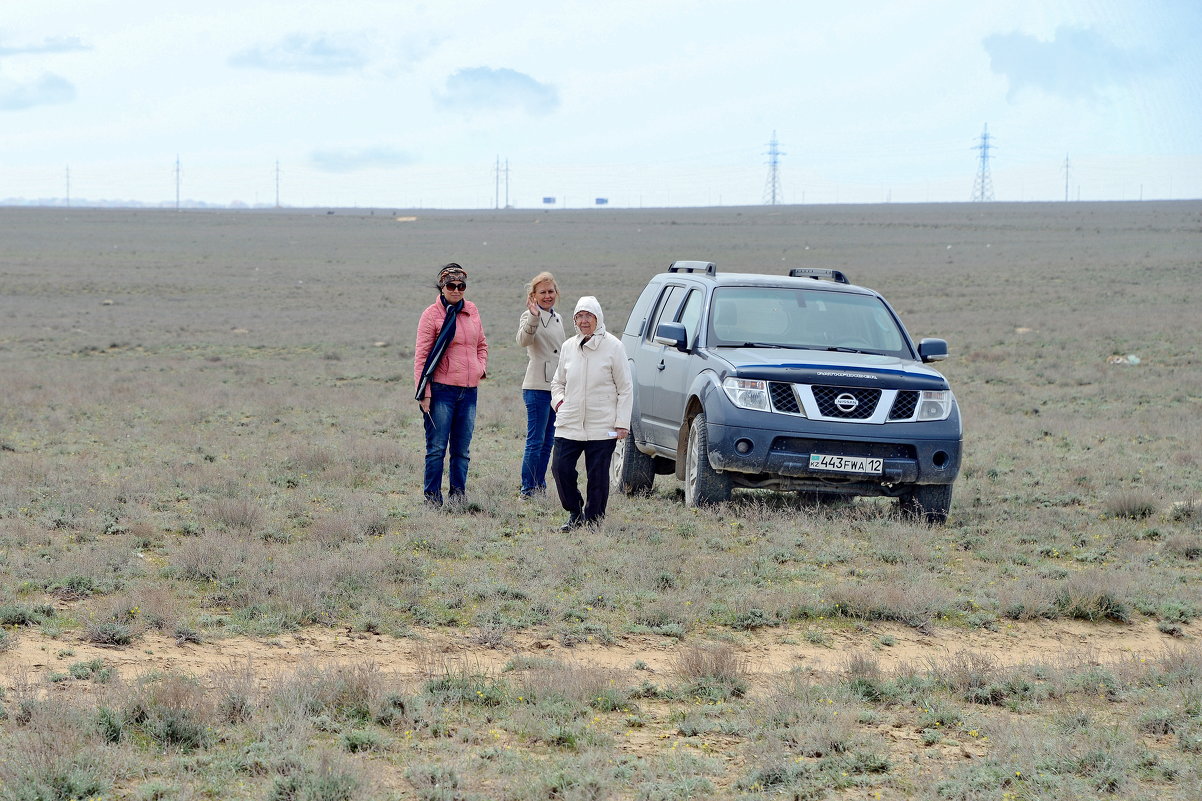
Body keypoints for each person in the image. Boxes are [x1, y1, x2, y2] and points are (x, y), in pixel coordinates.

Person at [549, 296, 632, 530]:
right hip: (570, 421)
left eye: (589, 316)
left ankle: (594, 520)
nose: (584, 321)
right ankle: (575, 513)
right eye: (579, 316)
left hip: (602, 423)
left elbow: (625, 387)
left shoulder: (614, 347)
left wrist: (621, 422)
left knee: (597, 475)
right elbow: (557, 383)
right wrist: (560, 403)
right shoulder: (568, 347)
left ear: (598, 318)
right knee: (560, 468)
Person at [413, 263, 488, 506]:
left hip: (468, 391)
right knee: (436, 448)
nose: (456, 290)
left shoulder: (472, 310)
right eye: (451, 285)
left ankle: (458, 497)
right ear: (442, 287)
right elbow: (422, 357)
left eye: (461, 286)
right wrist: (423, 392)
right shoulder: (431, 315)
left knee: (462, 451)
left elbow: (481, 345)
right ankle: (432, 499)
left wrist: (479, 369)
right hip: (441, 390)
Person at [516, 271, 566, 499]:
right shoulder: (529, 316)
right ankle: (528, 489)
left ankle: (539, 485)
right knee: (535, 441)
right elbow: (523, 340)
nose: (547, 296)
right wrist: (534, 317)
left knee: (548, 442)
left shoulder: (558, 317)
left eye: (550, 291)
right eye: (542, 292)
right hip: (537, 386)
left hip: (556, 387)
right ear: (533, 296)